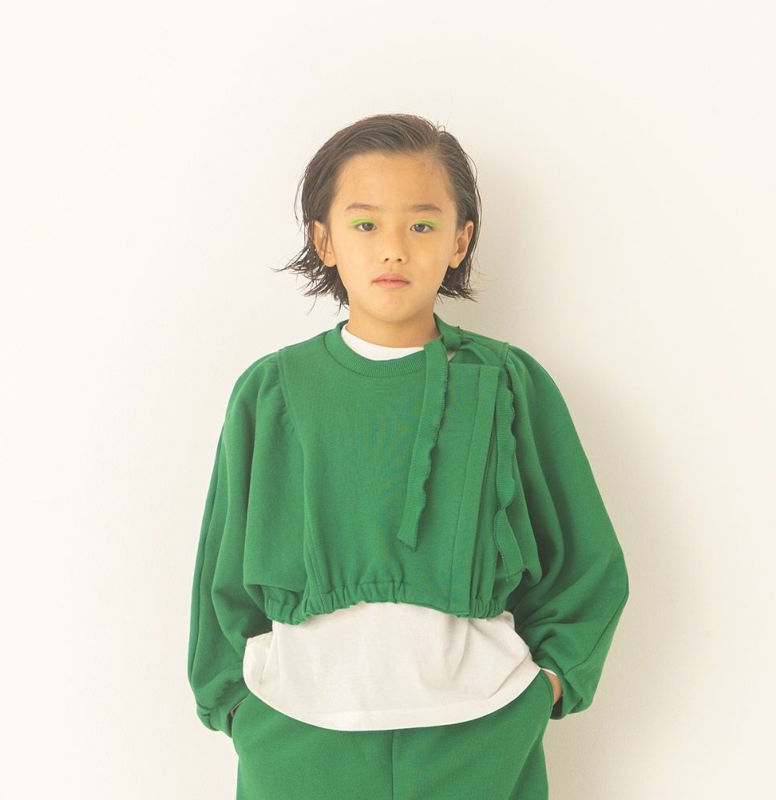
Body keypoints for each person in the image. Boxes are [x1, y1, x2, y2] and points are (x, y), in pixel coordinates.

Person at [187, 113, 630, 799]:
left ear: (460, 240)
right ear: (324, 240)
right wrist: (237, 707)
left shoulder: (507, 382)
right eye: (366, 224)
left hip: (480, 733)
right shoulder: (272, 389)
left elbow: (585, 559)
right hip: (296, 736)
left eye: (422, 225)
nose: (393, 249)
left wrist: (548, 684)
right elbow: (222, 571)